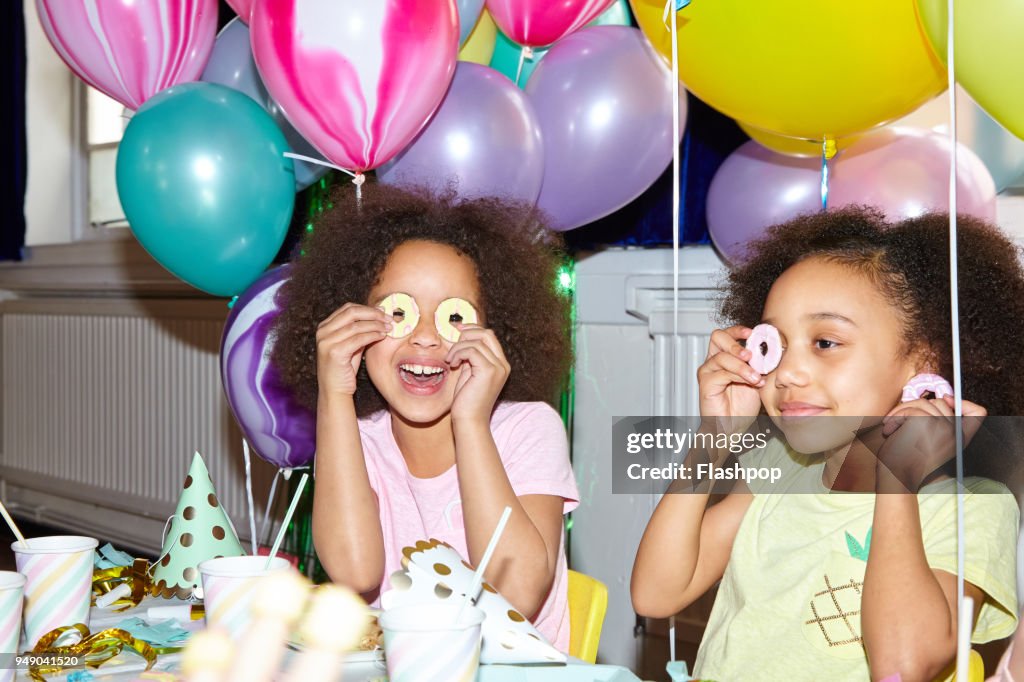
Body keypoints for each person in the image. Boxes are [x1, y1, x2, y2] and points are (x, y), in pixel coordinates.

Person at [631, 207, 1023, 681]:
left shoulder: (971, 508)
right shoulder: (782, 465)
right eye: (774, 345)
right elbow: (655, 594)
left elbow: (902, 666)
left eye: (825, 342)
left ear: (926, 358)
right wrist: (712, 440)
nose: (788, 373)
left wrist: (895, 481)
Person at [271, 183, 579, 650]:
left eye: (454, 318)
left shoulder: (529, 428)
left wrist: (471, 421)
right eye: (399, 311)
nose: (425, 338)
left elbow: (515, 594)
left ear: (496, 333)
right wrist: (334, 392)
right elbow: (355, 571)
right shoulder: (356, 439)